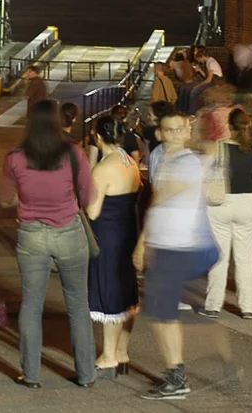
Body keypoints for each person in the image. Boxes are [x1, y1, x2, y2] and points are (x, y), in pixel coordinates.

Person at [0, 99, 96, 389]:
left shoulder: (15, 157)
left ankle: (30, 374)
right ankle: (86, 374)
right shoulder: (74, 154)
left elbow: (5, 198)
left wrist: (24, 197)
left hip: (31, 234)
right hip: (68, 231)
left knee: (31, 305)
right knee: (78, 304)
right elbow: (89, 198)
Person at [133, 107, 212, 400]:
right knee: (160, 314)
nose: (175, 135)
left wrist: (142, 242)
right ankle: (175, 373)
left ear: (188, 131)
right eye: (169, 130)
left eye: (180, 129)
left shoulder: (186, 162)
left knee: (160, 314)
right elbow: (158, 199)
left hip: (177, 247)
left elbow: (161, 198)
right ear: (159, 133)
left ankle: (177, 377)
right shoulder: (162, 158)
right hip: (167, 245)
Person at [87, 116, 141, 377]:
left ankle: (108, 356)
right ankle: (121, 351)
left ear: (97, 137)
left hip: (107, 235)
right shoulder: (130, 163)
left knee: (110, 293)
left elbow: (93, 211)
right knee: (127, 291)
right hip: (128, 231)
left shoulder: (103, 168)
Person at [201, 108, 252, 318]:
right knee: (245, 259)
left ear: (228, 126)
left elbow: (203, 173)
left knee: (220, 257)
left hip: (222, 203)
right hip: (248, 203)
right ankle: (248, 307)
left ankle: (212, 305)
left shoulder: (217, 148)